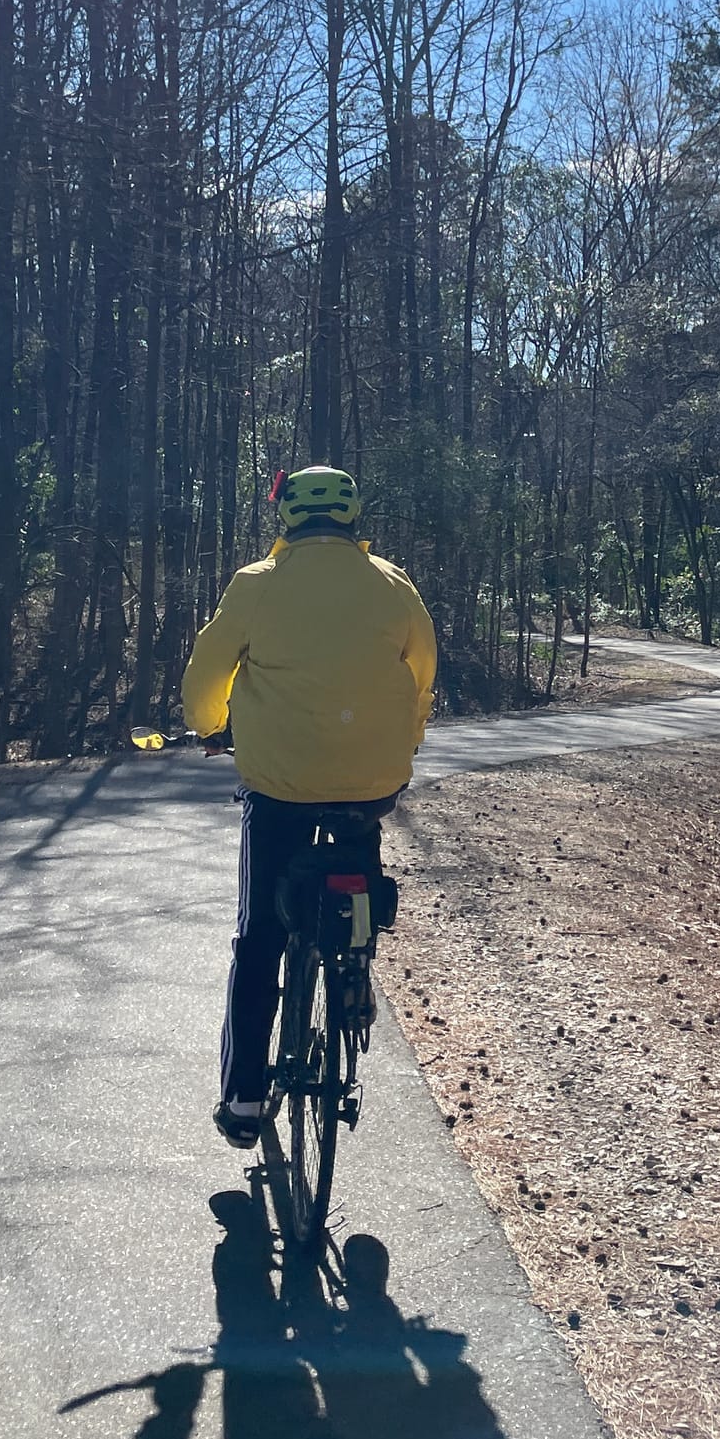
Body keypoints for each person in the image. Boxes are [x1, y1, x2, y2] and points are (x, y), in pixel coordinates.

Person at [181, 466, 437, 1149]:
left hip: (280, 786)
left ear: (287, 517)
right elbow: (422, 675)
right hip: (372, 779)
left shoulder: (258, 583)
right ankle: (355, 965)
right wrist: (406, 741)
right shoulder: (393, 583)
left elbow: (208, 673)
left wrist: (211, 725)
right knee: (358, 842)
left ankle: (244, 1099)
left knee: (259, 936)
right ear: (352, 516)